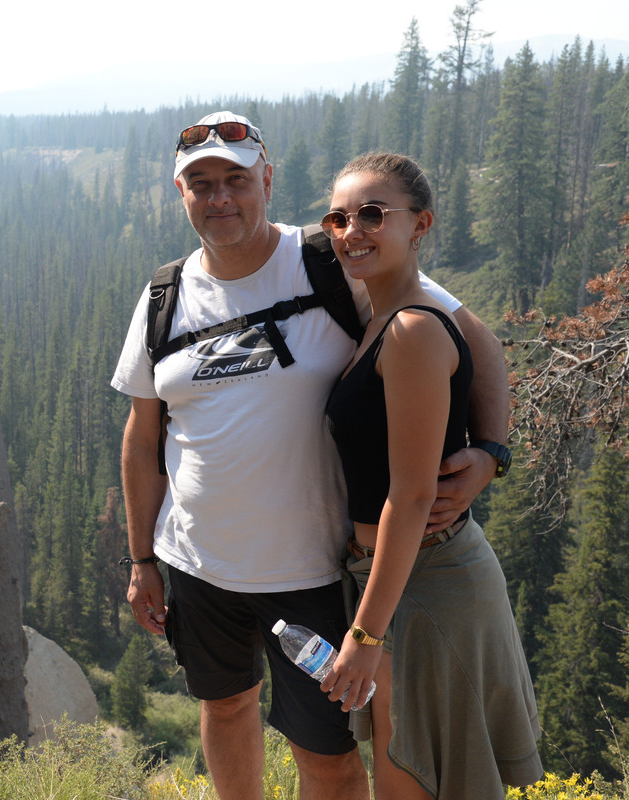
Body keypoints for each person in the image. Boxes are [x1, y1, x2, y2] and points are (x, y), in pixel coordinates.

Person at [110, 111, 511, 800]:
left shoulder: (331, 261)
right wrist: (143, 559)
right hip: (199, 566)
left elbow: (476, 341)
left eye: (236, 179)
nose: (220, 198)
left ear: (267, 179)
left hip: (316, 572)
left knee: (325, 751)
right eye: (200, 183)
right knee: (225, 707)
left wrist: (492, 451)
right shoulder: (164, 296)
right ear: (181, 194)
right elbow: (143, 436)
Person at [319, 152, 542, 798]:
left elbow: (412, 495)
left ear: (420, 225)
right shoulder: (383, 315)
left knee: (410, 781)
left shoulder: (412, 329)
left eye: (372, 214)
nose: (351, 230)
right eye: (339, 217)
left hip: (425, 586)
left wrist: (365, 633)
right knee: (405, 777)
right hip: (398, 582)